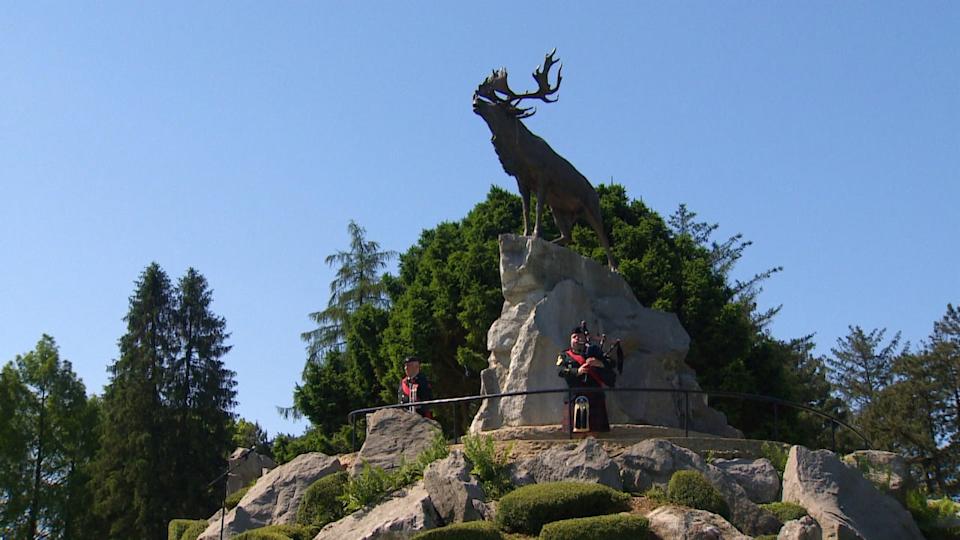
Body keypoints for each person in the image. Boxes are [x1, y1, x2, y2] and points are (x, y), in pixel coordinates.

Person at [557, 324, 615, 432]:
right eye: (574, 337)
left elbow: (611, 364)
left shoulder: (594, 353)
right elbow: (560, 371)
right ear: (571, 340)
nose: (577, 339)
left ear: (584, 339)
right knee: (573, 430)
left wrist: (600, 363)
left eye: (580, 337)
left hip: (595, 396)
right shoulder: (565, 355)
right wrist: (577, 371)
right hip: (574, 395)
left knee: (596, 430)